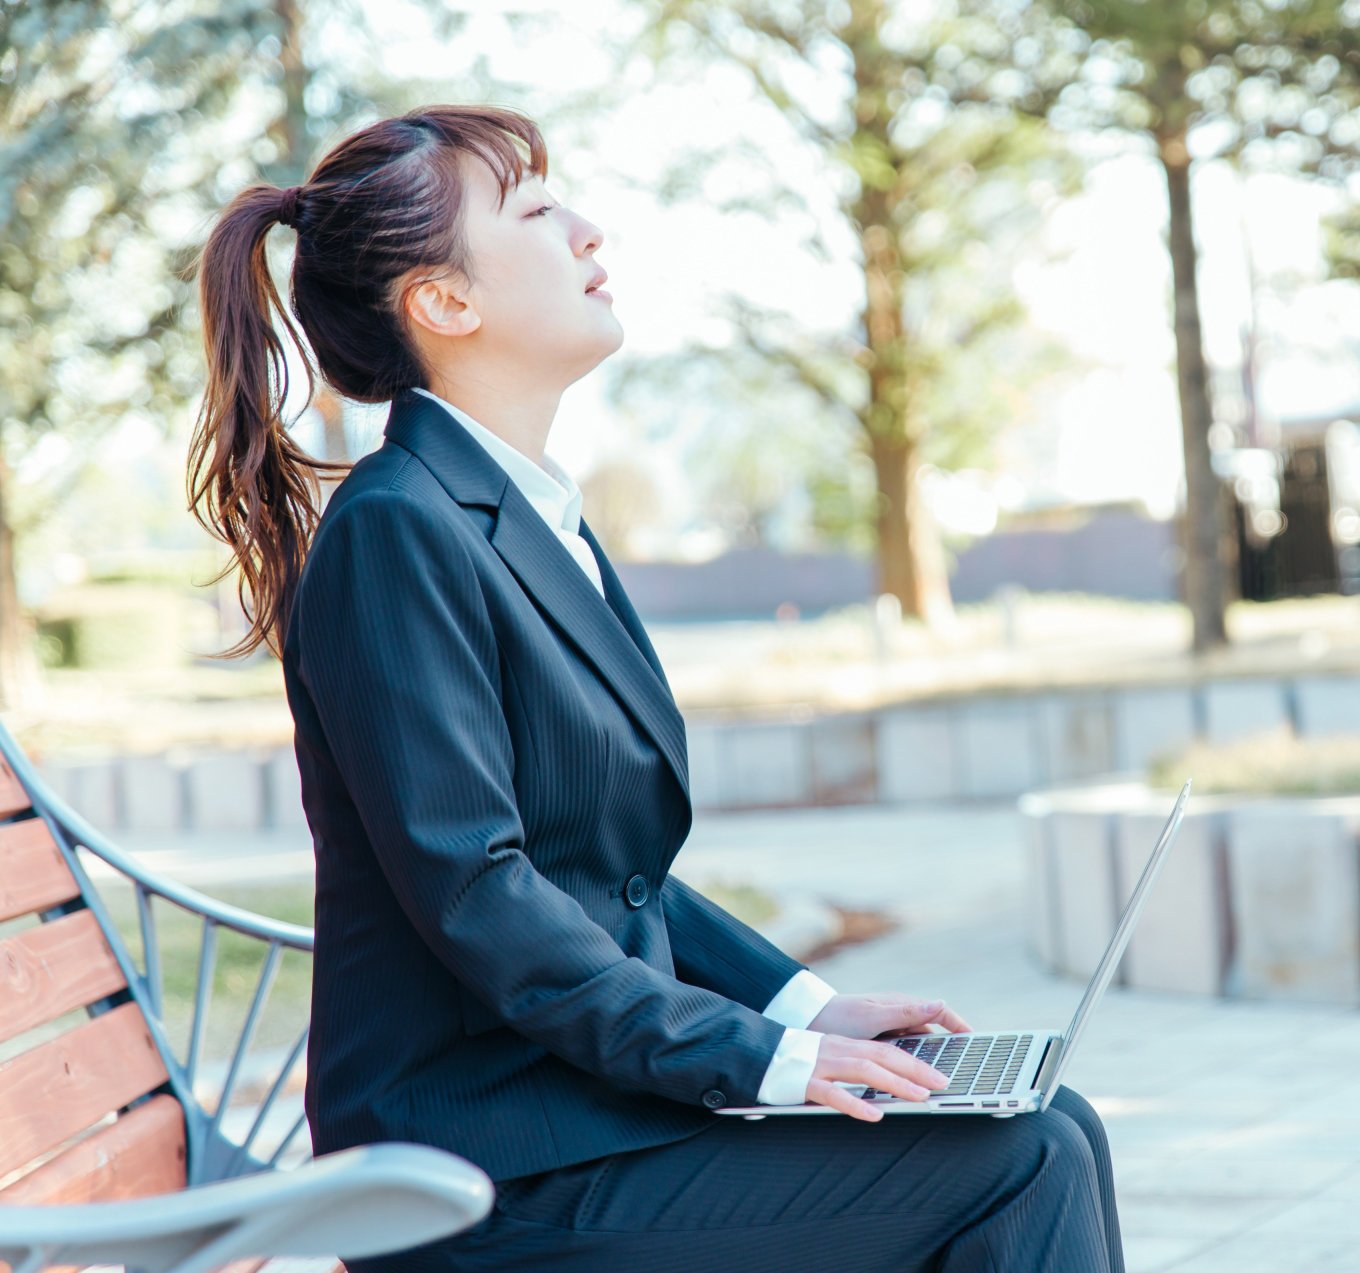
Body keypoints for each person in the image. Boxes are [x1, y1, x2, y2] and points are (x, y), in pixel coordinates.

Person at [187, 105, 1122, 1272]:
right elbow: (480, 891)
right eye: (534, 211)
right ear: (443, 303)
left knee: (1045, 1123)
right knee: (1017, 1159)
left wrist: (798, 1009)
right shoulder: (396, 532)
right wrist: (760, 1061)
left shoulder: (525, 517)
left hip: (576, 1118)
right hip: (476, 1172)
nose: (585, 231)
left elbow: (601, 873)